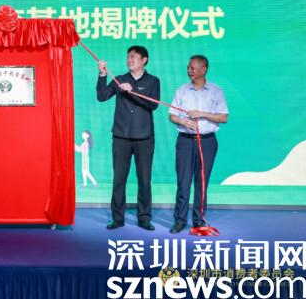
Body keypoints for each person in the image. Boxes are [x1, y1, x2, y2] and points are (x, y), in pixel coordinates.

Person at [96, 45, 160, 231]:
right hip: (121, 137)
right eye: (128, 57)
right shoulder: (120, 79)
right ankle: (117, 218)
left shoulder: (153, 81)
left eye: (133, 57)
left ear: (144, 60)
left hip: (144, 137)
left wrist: (132, 92)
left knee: (144, 180)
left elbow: (153, 105)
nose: (129, 60)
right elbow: (102, 96)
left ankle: (144, 218)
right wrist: (102, 75)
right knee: (119, 179)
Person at [168, 55, 228, 234]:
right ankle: (179, 220)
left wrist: (202, 114)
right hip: (185, 141)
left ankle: (199, 221)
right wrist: (183, 121)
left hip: (207, 141)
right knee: (183, 182)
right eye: (188, 67)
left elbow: (223, 117)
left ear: (204, 69)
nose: (189, 70)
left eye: (193, 68)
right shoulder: (182, 90)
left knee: (202, 182)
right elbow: (172, 115)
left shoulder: (216, 91)